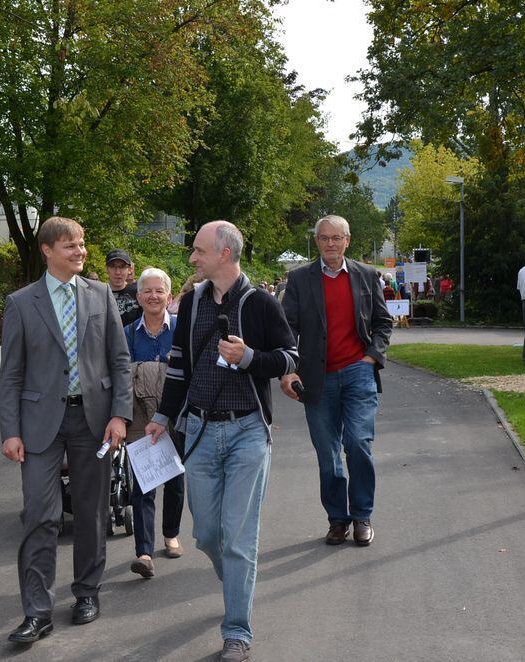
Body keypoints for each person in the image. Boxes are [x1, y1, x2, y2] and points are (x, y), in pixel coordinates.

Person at [146, 220, 298, 662]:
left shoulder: (261, 303)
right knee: (207, 534)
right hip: (199, 430)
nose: (192, 257)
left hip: (248, 431)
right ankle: (235, 578)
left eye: (199, 250)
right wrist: (162, 416)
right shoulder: (191, 303)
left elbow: (290, 357)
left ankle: (237, 633)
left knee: (238, 539)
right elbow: (178, 365)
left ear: (224, 254)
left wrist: (248, 357)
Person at [0, 217, 131, 644]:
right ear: (47, 250)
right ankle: (37, 612)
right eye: (70, 245)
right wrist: (10, 430)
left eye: (82, 243)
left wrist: (120, 415)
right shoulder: (21, 302)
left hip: (94, 420)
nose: (81, 251)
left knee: (92, 512)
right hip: (39, 424)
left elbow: (120, 360)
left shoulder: (100, 295)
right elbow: (11, 374)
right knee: (41, 514)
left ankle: (87, 592)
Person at [280, 215, 392, 550]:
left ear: (347, 240)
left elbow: (383, 322)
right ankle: (337, 520)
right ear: (316, 242)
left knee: (358, 443)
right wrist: (288, 370)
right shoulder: (299, 279)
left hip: (358, 372)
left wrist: (372, 357)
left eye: (336, 238)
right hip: (316, 378)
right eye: (324, 238)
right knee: (328, 456)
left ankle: (362, 516)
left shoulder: (367, 275)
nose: (330, 243)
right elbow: (287, 329)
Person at [123, 267, 185, 578]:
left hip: (176, 415)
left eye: (159, 291)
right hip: (140, 418)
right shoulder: (127, 333)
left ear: (169, 296)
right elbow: (120, 375)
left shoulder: (181, 330)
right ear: (138, 297)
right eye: (147, 291)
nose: (153, 296)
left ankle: (171, 534)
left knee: (175, 481)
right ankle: (144, 552)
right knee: (143, 485)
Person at [106, 249, 142, 326]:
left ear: (129, 269)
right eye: (113, 266)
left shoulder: (137, 293)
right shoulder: (99, 293)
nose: (117, 272)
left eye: (122, 267)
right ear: (107, 269)